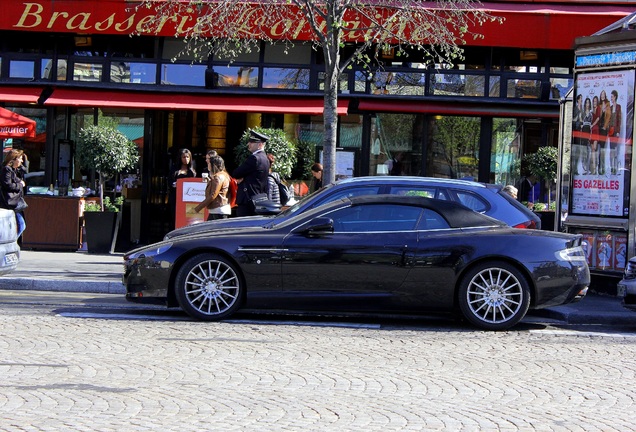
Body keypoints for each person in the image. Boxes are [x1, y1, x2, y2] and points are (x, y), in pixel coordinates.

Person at [232, 130, 270, 217]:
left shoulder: (255, 158)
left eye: (252, 142)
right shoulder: (265, 158)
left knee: (243, 227)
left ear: (260, 144)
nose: (249, 144)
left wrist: (243, 177)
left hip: (248, 200)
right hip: (258, 198)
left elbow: (236, 173)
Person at [193, 154, 231, 220]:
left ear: (213, 165)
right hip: (219, 209)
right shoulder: (224, 175)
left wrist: (198, 208)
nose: (208, 164)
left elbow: (213, 194)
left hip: (218, 210)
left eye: (209, 163)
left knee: (211, 229)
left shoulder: (218, 177)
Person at [0, 149, 27, 238]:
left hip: (14, 202)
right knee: (21, 225)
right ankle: (12, 242)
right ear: (14, 159)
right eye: (20, 158)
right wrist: (20, 185)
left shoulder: (14, 170)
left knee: (18, 225)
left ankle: (11, 242)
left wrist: (23, 164)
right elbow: (8, 185)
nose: (21, 160)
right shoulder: (6, 170)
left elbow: (25, 171)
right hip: (9, 202)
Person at [168, 148, 197, 227]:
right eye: (184, 157)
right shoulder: (175, 169)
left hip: (188, 199)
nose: (186, 159)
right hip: (176, 197)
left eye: (188, 157)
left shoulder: (192, 171)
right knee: (175, 217)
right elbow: (170, 182)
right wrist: (175, 184)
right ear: (180, 158)